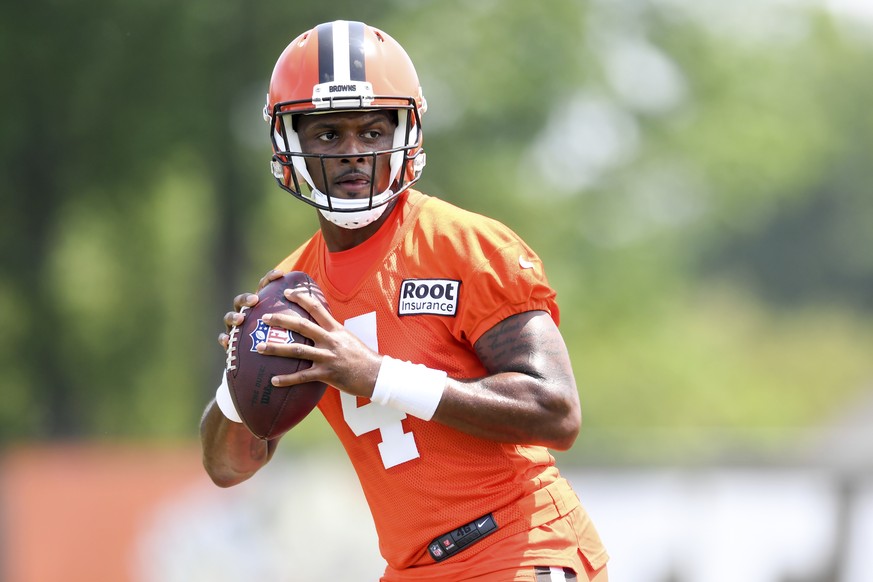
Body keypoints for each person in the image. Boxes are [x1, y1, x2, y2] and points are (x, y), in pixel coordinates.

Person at [200, 19, 609, 582]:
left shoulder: (463, 244)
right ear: (288, 145)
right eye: (327, 135)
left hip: (519, 543)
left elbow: (556, 411)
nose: (353, 153)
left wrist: (376, 375)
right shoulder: (290, 290)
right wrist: (238, 373)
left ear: (405, 134)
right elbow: (227, 465)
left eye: (372, 132)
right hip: (412, 568)